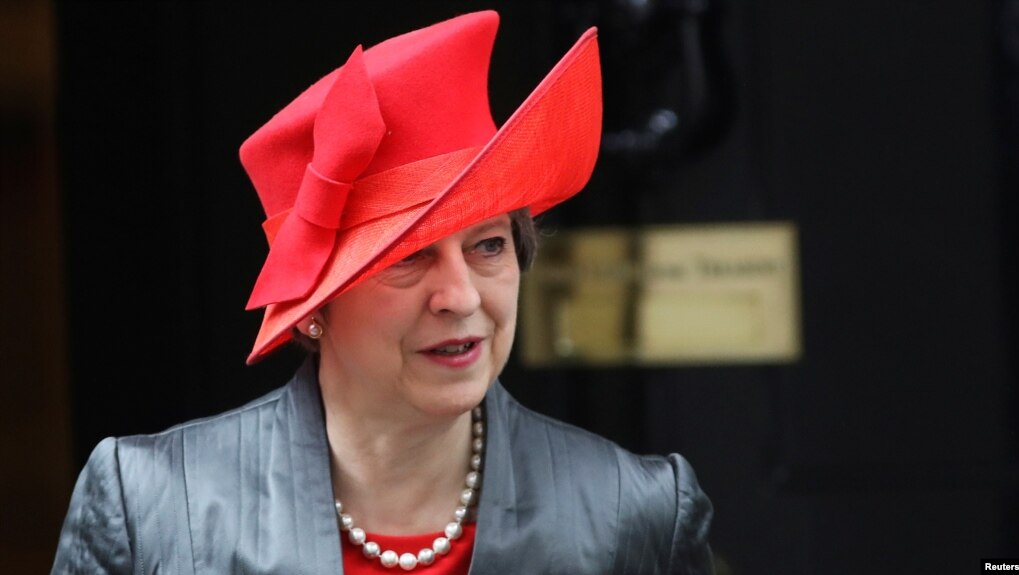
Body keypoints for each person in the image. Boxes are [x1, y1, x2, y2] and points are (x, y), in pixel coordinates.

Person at [52, 10, 713, 575]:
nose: (458, 296)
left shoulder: (636, 510)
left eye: (487, 246)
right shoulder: (157, 508)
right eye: (409, 258)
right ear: (314, 307)